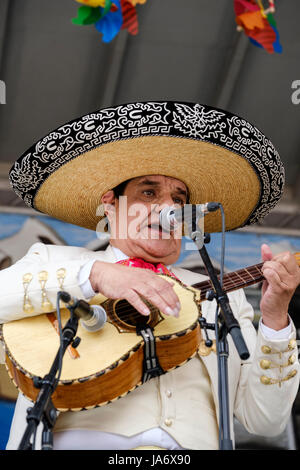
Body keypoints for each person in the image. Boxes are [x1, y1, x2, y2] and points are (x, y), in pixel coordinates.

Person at [1, 101, 300, 450]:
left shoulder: (225, 298)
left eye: (179, 198)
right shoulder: (55, 260)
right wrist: (96, 275)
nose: (169, 207)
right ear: (110, 205)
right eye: (148, 192)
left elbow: (266, 420)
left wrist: (276, 317)